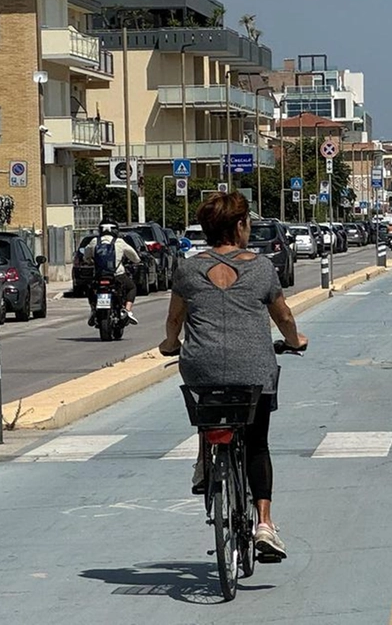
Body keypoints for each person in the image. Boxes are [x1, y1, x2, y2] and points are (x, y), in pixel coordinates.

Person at [160, 192, 307, 563]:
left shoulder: (187, 270)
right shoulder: (260, 268)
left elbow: (175, 321)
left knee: (208, 400)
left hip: (201, 368)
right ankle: (265, 525)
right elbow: (285, 318)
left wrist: (169, 343)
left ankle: (205, 461)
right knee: (257, 443)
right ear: (240, 226)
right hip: (253, 370)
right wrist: (296, 341)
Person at [79, 217, 140, 325]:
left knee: (90, 290)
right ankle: (127, 310)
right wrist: (135, 261)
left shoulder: (94, 241)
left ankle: (93, 310)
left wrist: (90, 261)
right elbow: (135, 258)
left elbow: (85, 257)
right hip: (117, 275)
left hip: (100, 275)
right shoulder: (120, 242)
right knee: (132, 287)